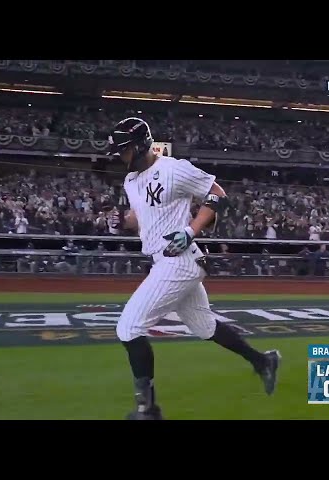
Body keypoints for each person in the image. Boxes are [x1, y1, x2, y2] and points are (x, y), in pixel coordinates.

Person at [107, 117, 281, 420]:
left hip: (179, 258)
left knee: (128, 327)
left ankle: (147, 410)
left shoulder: (174, 169)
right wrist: (124, 221)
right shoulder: (130, 180)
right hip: (166, 261)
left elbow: (218, 194)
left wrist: (190, 229)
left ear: (138, 146)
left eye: (123, 151)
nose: (119, 158)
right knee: (204, 326)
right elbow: (141, 216)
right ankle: (263, 361)